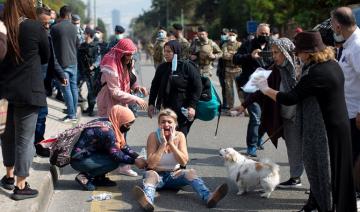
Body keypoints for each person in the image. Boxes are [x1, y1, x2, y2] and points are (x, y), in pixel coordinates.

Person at [253, 31, 357, 212]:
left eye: (299, 52)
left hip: (323, 128)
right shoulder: (331, 64)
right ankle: (323, 203)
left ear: (308, 52)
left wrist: (265, 89)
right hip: (336, 125)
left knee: (322, 172)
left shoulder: (316, 73)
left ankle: (326, 206)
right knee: (334, 173)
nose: (297, 56)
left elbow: (290, 97)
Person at [232, 38, 304, 188]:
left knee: (308, 150)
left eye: (277, 52)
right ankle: (296, 178)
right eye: (273, 52)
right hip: (286, 115)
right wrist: (244, 105)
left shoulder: (301, 68)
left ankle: (318, 185)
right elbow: (260, 90)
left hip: (303, 116)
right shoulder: (275, 69)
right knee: (293, 147)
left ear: (286, 53)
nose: (274, 55)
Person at [0, 0, 50, 200]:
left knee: (6, 136)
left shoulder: (2, 25)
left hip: (3, 91)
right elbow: (46, 56)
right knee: (25, 140)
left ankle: (9, 176)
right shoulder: (34, 26)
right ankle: (21, 186)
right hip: (28, 92)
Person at [132, 109, 228, 211]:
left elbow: (183, 161)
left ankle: (209, 197)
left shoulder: (180, 136)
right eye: (163, 122)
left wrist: (172, 144)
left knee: (190, 172)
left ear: (175, 124)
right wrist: (163, 144)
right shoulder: (153, 136)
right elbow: (151, 164)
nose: (166, 124)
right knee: (150, 174)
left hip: (174, 176)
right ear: (159, 124)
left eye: (169, 122)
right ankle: (148, 201)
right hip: (156, 176)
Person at [96, 38, 148, 177]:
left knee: (122, 134)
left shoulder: (129, 62)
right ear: (121, 53)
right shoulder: (111, 65)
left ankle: (122, 165)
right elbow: (115, 91)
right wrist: (136, 99)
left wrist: (137, 88)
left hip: (121, 103)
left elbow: (131, 79)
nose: (131, 57)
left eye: (132, 54)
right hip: (109, 102)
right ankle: (102, 166)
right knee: (109, 136)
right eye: (128, 54)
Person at [70, 105, 146, 191]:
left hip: (90, 155)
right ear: (121, 119)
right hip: (79, 160)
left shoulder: (114, 123)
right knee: (114, 161)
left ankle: (99, 178)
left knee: (109, 154)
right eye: (127, 125)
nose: (128, 128)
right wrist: (134, 161)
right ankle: (85, 176)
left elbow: (123, 146)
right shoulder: (107, 131)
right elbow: (116, 154)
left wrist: (137, 156)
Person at [232, 23, 273, 157]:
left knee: (267, 116)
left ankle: (258, 137)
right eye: (262, 33)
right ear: (257, 33)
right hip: (250, 86)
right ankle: (252, 146)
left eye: (267, 34)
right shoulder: (248, 44)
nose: (264, 36)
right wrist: (250, 56)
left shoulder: (273, 46)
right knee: (255, 116)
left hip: (267, 87)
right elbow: (235, 59)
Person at [148, 40, 202, 137]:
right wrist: (151, 103)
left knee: (180, 137)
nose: (165, 54)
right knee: (167, 136)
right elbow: (155, 86)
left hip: (184, 110)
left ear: (176, 52)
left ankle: (180, 152)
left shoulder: (186, 67)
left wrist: (192, 106)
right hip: (167, 110)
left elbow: (197, 87)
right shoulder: (162, 67)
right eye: (164, 51)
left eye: (169, 52)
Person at [331, 6, 360, 169]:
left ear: (338, 26)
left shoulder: (356, 46)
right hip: (348, 111)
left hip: (355, 115)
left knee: (354, 158)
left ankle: (353, 192)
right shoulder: (349, 44)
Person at [35, 7, 68, 146]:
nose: (48, 26)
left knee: (41, 115)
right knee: (38, 115)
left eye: (49, 23)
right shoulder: (29, 36)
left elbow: (52, 59)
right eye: (45, 24)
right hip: (32, 82)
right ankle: (34, 145)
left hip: (43, 83)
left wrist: (61, 75)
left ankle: (38, 143)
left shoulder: (47, 36)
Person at [51, 5, 79, 122]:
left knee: (66, 89)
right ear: (68, 15)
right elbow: (77, 44)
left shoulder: (55, 28)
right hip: (73, 62)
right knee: (73, 88)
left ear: (60, 14)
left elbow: (51, 45)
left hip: (62, 64)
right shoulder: (74, 28)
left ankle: (71, 115)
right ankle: (74, 113)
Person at [78, 27, 101, 117]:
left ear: (88, 35)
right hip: (82, 71)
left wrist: (93, 66)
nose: (84, 35)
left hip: (93, 73)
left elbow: (99, 59)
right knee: (81, 88)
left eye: (85, 33)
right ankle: (89, 107)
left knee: (91, 91)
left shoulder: (95, 46)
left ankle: (91, 109)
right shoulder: (82, 45)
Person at [221, 28, 243, 111]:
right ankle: (231, 108)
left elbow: (241, 55)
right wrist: (235, 54)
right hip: (228, 70)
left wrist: (232, 54)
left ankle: (244, 107)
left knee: (240, 89)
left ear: (236, 36)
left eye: (233, 35)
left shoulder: (240, 44)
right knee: (229, 90)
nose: (231, 36)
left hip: (238, 69)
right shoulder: (225, 45)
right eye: (230, 35)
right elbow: (224, 55)